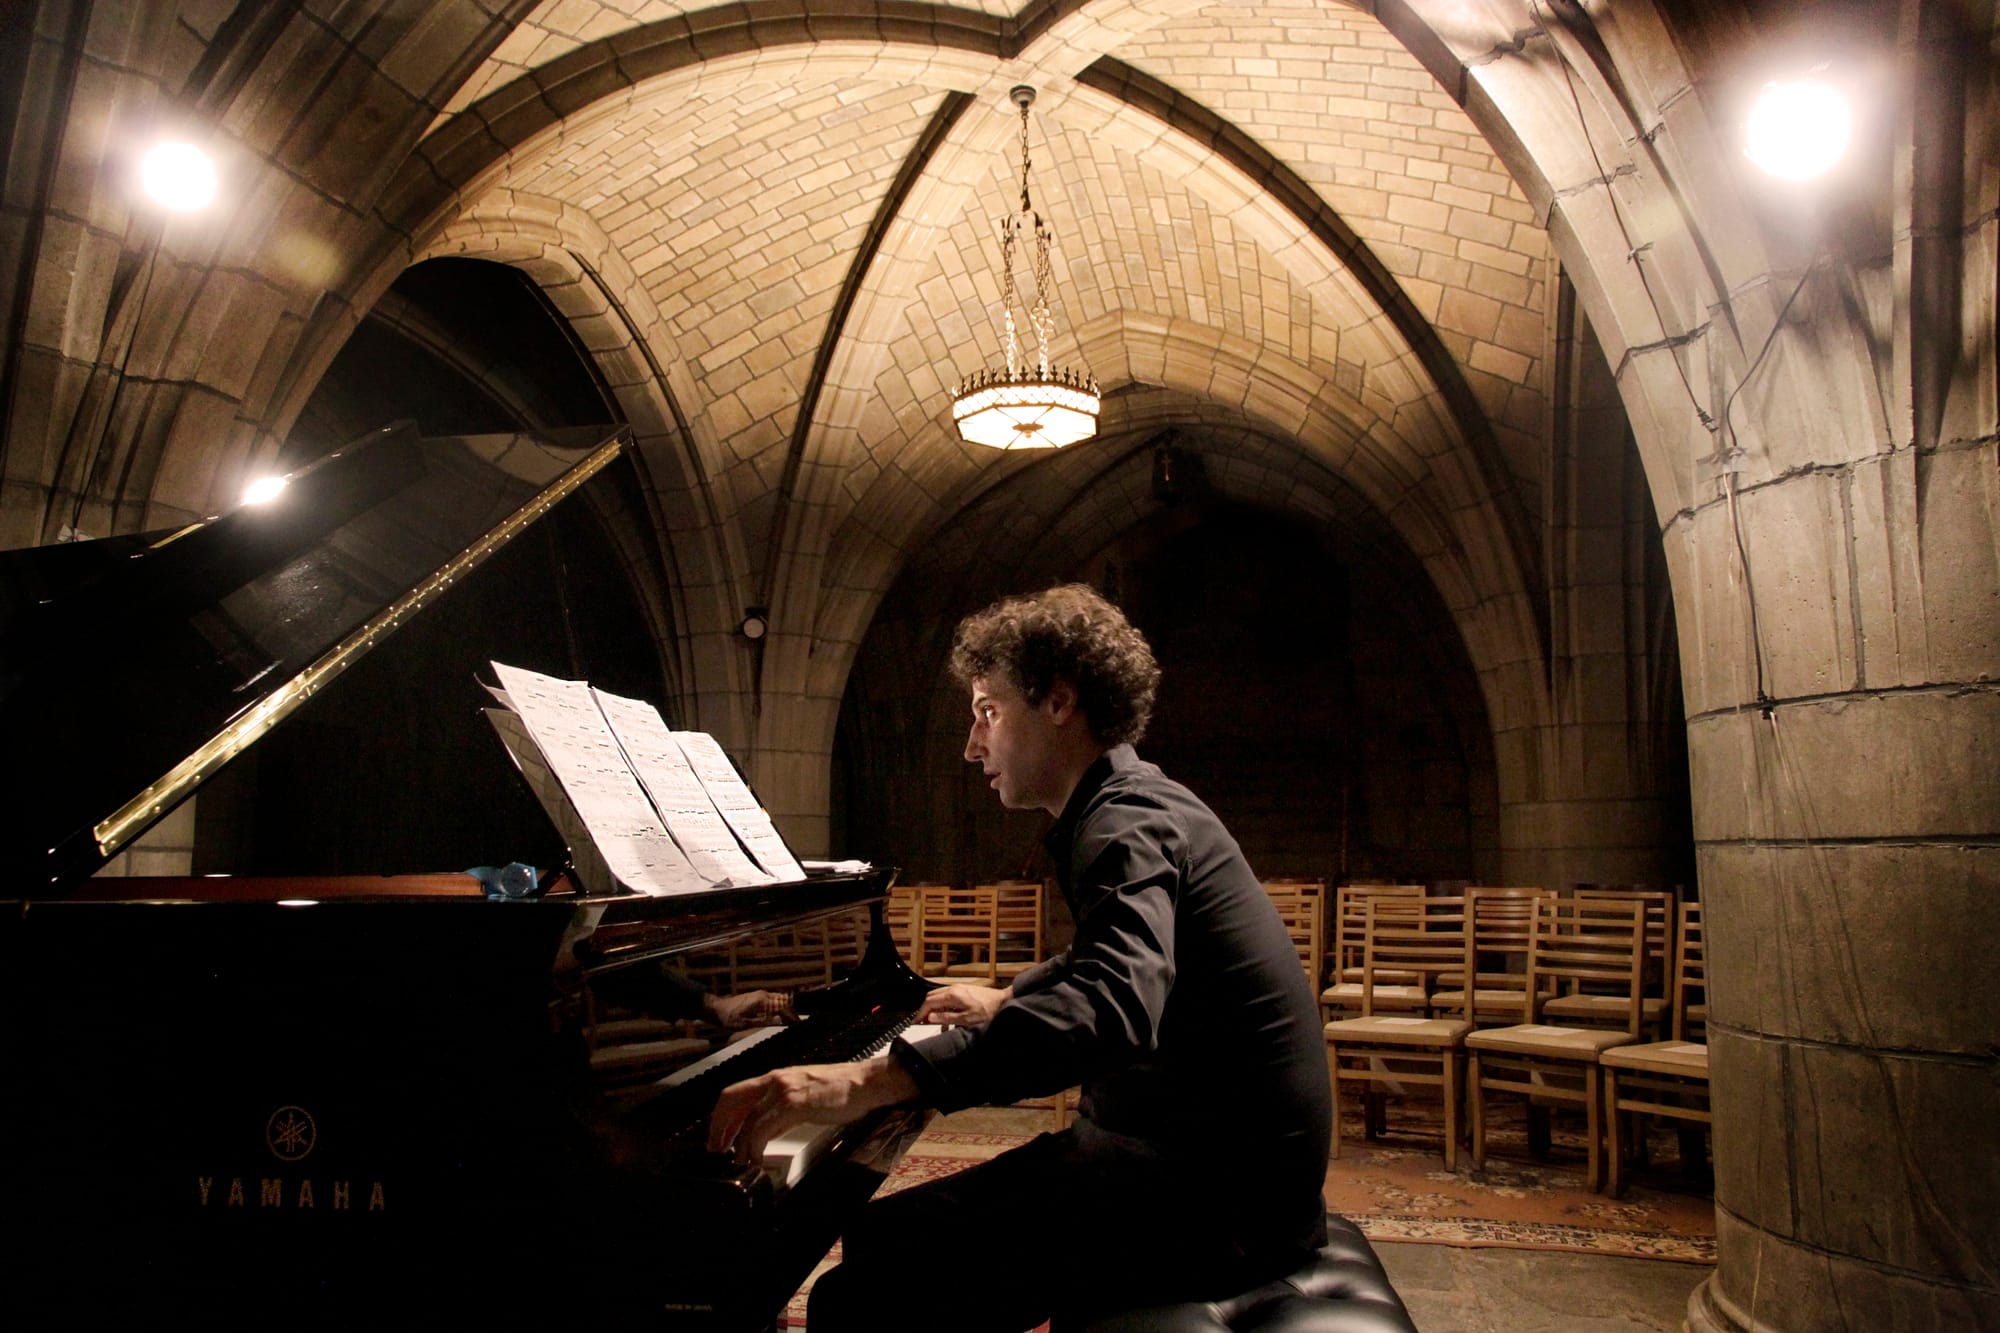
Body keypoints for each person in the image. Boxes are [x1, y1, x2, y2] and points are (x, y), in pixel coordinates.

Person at [707, 584, 1332, 1331]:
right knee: (880, 1230)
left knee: (858, 1299)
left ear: (1059, 702)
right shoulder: (1129, 802)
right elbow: (1124, 967)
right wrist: (1009, 998)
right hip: (1183, 1157)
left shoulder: (1125, 820)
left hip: (1216, 1197)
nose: (973, 745)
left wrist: (869, 1078)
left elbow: (1113, 1004)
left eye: (987, 712)